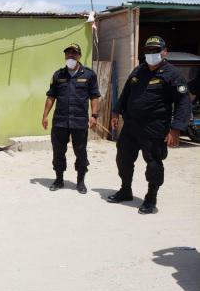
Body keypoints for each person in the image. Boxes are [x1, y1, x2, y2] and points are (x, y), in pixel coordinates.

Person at [107, 36, 191, 214]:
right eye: (148, 51)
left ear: (164, 52)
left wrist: (176, 129)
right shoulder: (138, 71)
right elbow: (125, 94)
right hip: (131, 126)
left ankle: (151, 198)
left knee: (153, 164)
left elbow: (183, 102)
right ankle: (125, 190)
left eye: (156, 50)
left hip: (154, 127)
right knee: (123, 159)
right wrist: (115, 112)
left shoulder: (173, 75)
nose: (152, 54)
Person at [42, 43, 100, 194]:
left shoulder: (88, 75)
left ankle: (80, 181)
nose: (71, 56)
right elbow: (51, 96)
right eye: (68, 54)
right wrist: (45, 116)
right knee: (58, 152)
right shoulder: (58, 75)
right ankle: (59, 179)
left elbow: (94, 96)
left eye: (74, 54)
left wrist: (94, 115)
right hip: (60, 121)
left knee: (80, 152)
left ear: (79, 56)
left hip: (79, 121)